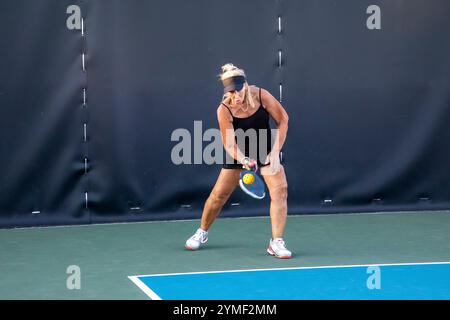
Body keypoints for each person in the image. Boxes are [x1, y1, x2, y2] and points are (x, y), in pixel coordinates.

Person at [185, 63, 291, 259]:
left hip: (266, 149)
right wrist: (243, 159)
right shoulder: (224, 109)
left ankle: (276, 242)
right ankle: (202, 232)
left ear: (245, 85)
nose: (236, 95)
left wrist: (275, 152)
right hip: (238, 152)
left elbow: (283, 119)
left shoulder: (261, 95)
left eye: (238, 90)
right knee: (218, 196)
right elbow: (229, 142)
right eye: (231, 92)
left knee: (280, 191)